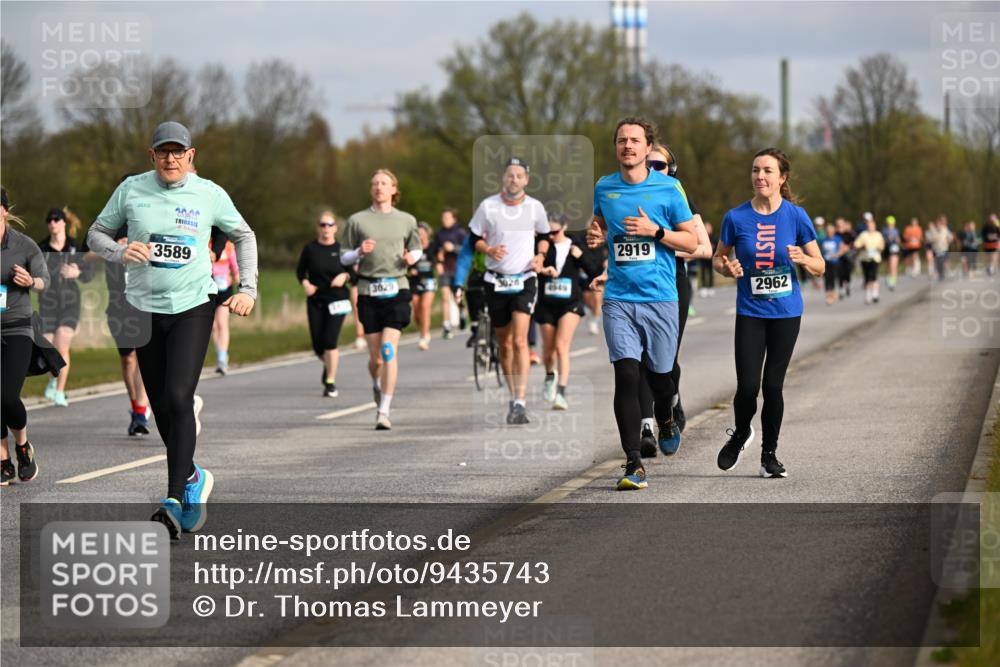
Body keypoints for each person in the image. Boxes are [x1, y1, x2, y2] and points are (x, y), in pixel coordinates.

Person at [87, 121, 258, 539]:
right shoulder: (131, 189)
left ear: (190, 155)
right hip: (143, 309)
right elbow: (95, 234)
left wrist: (248, 288)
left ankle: (174, 497)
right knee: (163, 405)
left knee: (180, 396)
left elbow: (243, 233)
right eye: (163, 152)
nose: (170, 159)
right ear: (152, 156)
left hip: (193, 306)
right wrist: (120, 249)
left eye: (178, 152)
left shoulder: (209, 194)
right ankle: (193, 473)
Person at [586, 117, 697, 490]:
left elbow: (692, 241)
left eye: (634, 141)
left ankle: (665, 417)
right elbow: (600, 224)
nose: (627, 146)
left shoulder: (669, 188)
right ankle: (633, 463)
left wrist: (657, 232)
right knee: (626, 375)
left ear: (648, 148)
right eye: (621, 141)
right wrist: (595, 233)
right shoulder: (605, 187)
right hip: (619, 297)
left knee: (660, 378)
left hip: (661, 298)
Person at [713, 148, 824, 479]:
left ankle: (769, 456)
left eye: (767, 171)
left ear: (782, 177)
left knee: (772, 386)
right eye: (755, 170)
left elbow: (820, 265)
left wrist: (804, 260)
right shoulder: (735, 217)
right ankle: (742, 431)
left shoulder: (796, 216)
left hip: (787, 313)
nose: (760, 176)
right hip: (750, 311)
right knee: (747, 386)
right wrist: (726, 267)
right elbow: (718, 258)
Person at [636, 143, 713, 457]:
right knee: (638, 360)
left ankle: (671, 401)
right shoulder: (624, 195)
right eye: (648, 164)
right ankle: (646, 428)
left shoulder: (676, 195)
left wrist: (662, 242)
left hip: (672, 284)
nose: (653, 170)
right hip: (634, 285)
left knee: (664, 361)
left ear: (671, 170)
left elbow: (704, 248)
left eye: (660, 166)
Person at [468, 157, 550, 425]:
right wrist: (489, 249)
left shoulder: (535, 207)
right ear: (503, 178)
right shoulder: (488, 206)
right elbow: (473, 239)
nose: (514, 179)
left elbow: (545, 237)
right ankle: (512, 395)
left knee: (519, 340)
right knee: (504, 344)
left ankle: (520, 401)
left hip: (525, 279)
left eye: (519, 175)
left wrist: (540, 257)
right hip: (495, 280)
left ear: (526, 180)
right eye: (509, 175)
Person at [340, 169, 422, 430]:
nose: (378, 187)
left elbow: (418, 247)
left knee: (389, 349)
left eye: (384, 183)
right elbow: (343, 257)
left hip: (397, 287)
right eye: (374, 183)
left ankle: (384, 410)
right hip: (367, 290)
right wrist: (358, 252)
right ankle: (377, 383)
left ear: (394, 190)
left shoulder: (407, 220)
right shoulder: (357, 220)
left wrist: (412, 258)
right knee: (376, 357)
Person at [1, 187, 48, 485]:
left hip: (18, 327)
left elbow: (45, 281)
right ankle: (3, 459)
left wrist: (30, 280)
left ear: (4, 210)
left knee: (6, 395)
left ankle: (23, 445)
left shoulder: (24, 245)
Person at [535, 214, 600, 410]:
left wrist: (581, 256)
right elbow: (531, 268)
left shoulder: (576, 245)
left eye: (555, 232)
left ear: (565, 226)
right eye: (548, 233)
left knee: (562, 347)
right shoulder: (541, 247)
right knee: (548, 351)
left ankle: (561, 393)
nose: (552, 236)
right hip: (546, 303)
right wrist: (543, 268)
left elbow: (593, 272)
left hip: (570, 302)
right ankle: (549, 377)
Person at [37, 207, 93, 406]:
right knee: (47, 347)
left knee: (62, 346)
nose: (52, 223)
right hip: (48, 304)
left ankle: (59, 391)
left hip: (70, 303)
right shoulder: (41, 248)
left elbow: (89, 275)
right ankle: (53, 379)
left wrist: (76, 273)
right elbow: (35, 273)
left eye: (56, 219)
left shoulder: (73, 247)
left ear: (63, 222)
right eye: (49, 220)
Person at [297, 211, 352, 397]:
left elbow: (354, 272)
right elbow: (300, 272)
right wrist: (306, 284)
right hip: (316, 300)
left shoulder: (342, 250)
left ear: (336, 228)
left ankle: (330, 382)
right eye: (323, 225)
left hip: (338, 299)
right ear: (318, 228)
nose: (326, 228)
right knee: (318, 346)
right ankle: (329, 364)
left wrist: (344, 276)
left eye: (330, 225)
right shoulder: (310, 249)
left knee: (330, 340)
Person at [433, 208, 466, 339]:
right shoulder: (439, 234)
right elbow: (434, 251)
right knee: (445, 296)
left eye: (447, 217)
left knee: (457, 295)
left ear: (454, 219)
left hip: (458, 269)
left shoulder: (460, 233)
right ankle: (446, 325)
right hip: (445, 269)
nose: (444, 220)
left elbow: (467, 251)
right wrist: (438, 263)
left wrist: (454, 248)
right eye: (443, 217)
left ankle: (462, 313)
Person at [210, 238, 239, 375]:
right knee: (213, 326)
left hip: (224, 287)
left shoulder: (228, 246)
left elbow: (235, 267)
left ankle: (222, 360)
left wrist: (239, 280)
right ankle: (220, 353)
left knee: (222, 323)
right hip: (209, 287)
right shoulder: (205, 242)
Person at [410, 222, 437, 350]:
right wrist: (410, 270)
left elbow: (439, 258)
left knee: (425, 306)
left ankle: (424, 336)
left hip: (429, 280)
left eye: (422, 232)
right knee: (416, 309)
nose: (420, 235)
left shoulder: (432, 246)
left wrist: (441, 263)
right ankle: (423, 328)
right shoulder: (412, 247)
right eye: (418, 233)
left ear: (427, 233)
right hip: (415, 281)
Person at [854, 215, 885, 304]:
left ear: (875, 226)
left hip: (875, 258)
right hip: (865, 258)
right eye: (869, 226)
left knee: (874, 276)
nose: (870, 227)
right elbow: (856, 244)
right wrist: (861, 246)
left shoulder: (878, 235)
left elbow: (882, 245)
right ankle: (868, 295)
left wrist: (880, 247)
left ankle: (875, 295)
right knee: (867, 278)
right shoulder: (863, 234)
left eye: (872, 226)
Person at [820, 221, 844, 306]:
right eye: (828, 231)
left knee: (833, 278)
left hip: (834, 262)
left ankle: (833, 294)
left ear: (833, 231)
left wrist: (837, 254)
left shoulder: (837, 239)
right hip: (826, 262)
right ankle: (827, 295)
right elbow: (820, 251)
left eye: (831, 231)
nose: (829, 233)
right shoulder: (823, 240)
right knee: (827, 279)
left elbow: (842, 249)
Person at [926, 215, 954, 281]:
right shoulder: (933, 230)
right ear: (936, 224)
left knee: (942, 261)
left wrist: (949, 239)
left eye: (940, 224)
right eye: (938, 224)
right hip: (936, 249)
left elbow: (950, 237)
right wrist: (933, 239)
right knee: (938, 262)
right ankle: (939, 273)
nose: (939, 225)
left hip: (944, 248)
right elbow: (929, 238)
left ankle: (942, 274)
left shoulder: (945, 229)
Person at [835, 217, 856, 297]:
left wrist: (846, 248)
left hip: (848, 257)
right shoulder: (836, 234)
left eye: (841, 224)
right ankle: (841, 289)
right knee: (840, 273)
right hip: (838, 257)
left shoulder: (849, 234)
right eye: (838, 225)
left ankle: (848, 285)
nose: (839, 226)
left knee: (847, 272)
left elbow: (853, 244)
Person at [698, 220, 718, 297]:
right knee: (702, 273)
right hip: (703, 258)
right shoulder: (702, 237)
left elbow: (717, 248)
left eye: (709, 228)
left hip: (710, 258)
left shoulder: (714, 238)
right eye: (706, 227)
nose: (708, 229)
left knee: (710, 273)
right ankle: (703, 287)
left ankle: (711, 287)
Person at [881, 215, 901, 290]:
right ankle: (888, 277)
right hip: (887, 249)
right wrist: (886, 239)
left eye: (891, 223)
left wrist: (896, 240)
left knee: (894, 266)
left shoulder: (896, 231)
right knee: (888, 266)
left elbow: (899, 240)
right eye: (889, 223)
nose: (890, 225)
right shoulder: (884, 231)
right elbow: (882, 240)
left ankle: (892, 282)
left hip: (894, 250)